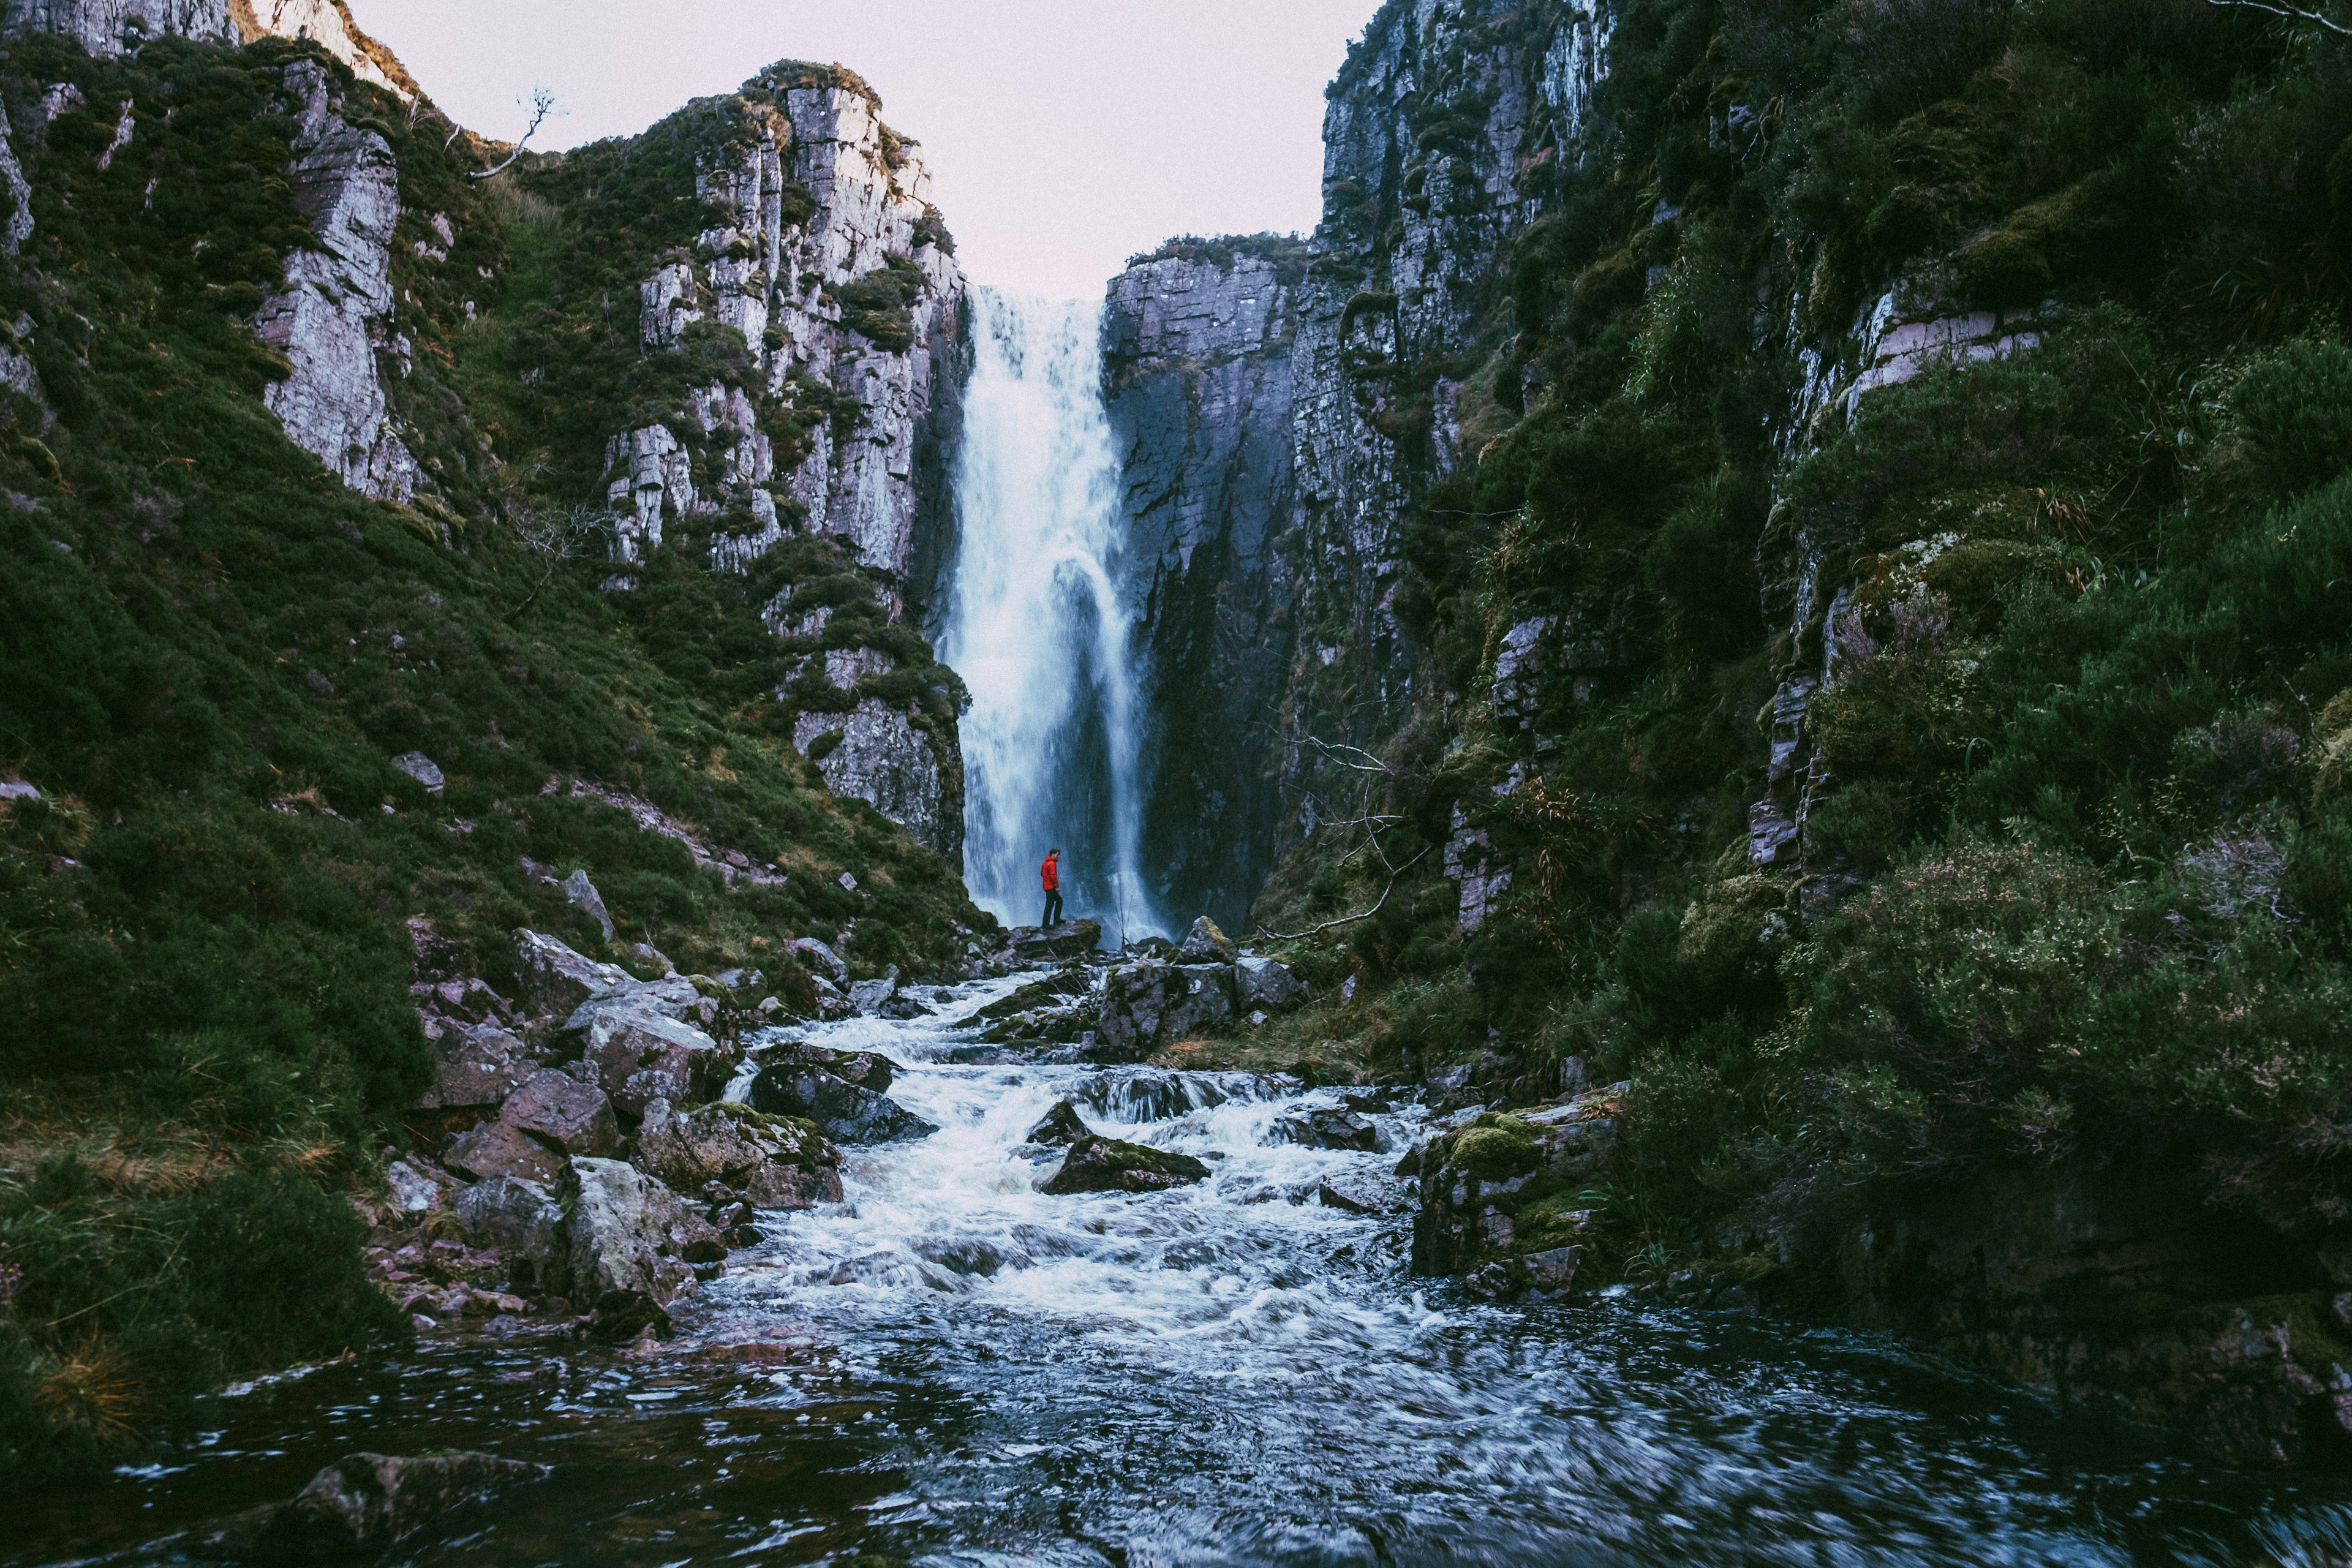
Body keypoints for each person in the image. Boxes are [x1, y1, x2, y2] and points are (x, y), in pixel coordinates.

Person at [1040, 848, 1063, 928]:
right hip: (1051, 887)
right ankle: (1046, 924)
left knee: (1058, 901)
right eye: (1057, 855)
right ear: (1053, 854)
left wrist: (1046, 879)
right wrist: (1056, 887)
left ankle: (1056, 920)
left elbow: (1042, 873)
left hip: (1047, 887)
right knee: (1050, 904)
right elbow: (1053, 876)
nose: (1058, 857)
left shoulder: (1045, 863)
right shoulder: (1052, 864)